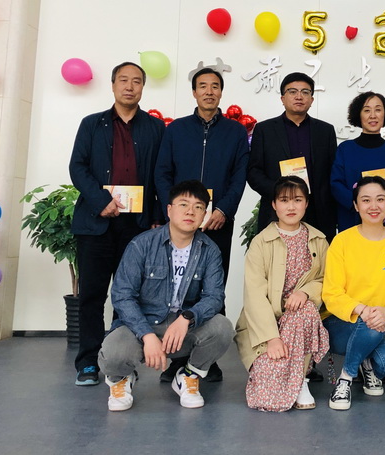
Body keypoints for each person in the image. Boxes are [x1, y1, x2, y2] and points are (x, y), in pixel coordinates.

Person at [98, 180, 233, 412]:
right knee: (113, 354)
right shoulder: (142, 244)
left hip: (181, 327)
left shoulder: (209, 250)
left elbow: (214, 297)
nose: (190, 212)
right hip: (142, 324)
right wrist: (147, 335)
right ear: (169, 210)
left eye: (198, 207)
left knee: (222, 328)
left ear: (204, 215)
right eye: (183, 204)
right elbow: (122, 295)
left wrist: (187, 318)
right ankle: (121, 379)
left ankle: (188, 376)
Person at [68, 61, 165, 387]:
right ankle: (87, 363)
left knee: (128, 297)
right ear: (112, 85)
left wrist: (157, 218)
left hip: (136, 227)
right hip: (95, 223)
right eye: (123, 80)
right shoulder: (91, 124)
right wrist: (101, 201)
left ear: (143, 88)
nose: (129, 86)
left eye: (136, 81)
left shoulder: (155, 128)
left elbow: (159, 176)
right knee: (92, 295)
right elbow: (77, 167)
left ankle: (118, 362)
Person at [155, 66, 249, 381]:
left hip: (217, 222)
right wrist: (174, 210)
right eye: (203, 86)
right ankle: (177, 358)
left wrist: (223, 209)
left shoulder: (235, 132)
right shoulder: (176, 129)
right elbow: (162, 172)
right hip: (180, 223)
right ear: (194, 92)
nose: (209, 91)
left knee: (212, 288)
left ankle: (208, 359)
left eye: (215, 86)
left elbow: (239, 176)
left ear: (221, 92)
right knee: (178, 287)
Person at [235, 176, 330, 412]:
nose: (291, 206)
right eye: (284, 200)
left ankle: (301, 380)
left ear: (306, 203)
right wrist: (272, 338)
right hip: (265, 325)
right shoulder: (261, 242)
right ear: (274, 204)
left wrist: (306, 292)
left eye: (297, 200)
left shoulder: (318, 240)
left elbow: (327, 280)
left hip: (299, 320)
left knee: (305, 311)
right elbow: (254, 295)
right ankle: (285, 378)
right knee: (265, 394)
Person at [322, 176, 385, 411]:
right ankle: (346, 377)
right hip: (342, 323)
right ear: (356, 205)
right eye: (366, 200)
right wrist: (362, 310)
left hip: (381, 320)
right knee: (370, 326)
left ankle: (365, 361)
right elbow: (332, 293)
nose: (373, 206)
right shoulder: (342, 241)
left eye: (380, 199)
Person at [247, 72, 338, 240]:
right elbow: (254, 172)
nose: (299, 96)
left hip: (318, 212)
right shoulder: (265, 130)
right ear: (282, 98)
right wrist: (280, 193)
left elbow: (333, 172)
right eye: (292, 91)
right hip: (277, 211)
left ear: (312, 99)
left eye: (305, 92)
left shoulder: (325, 131)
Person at [330, 92, 385, 236]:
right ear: (358, 114)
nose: (373, 115)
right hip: (353, 220)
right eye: (367, 110)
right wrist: (360, 205)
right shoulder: (345, 149)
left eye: (378, 110)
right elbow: (336, 184)